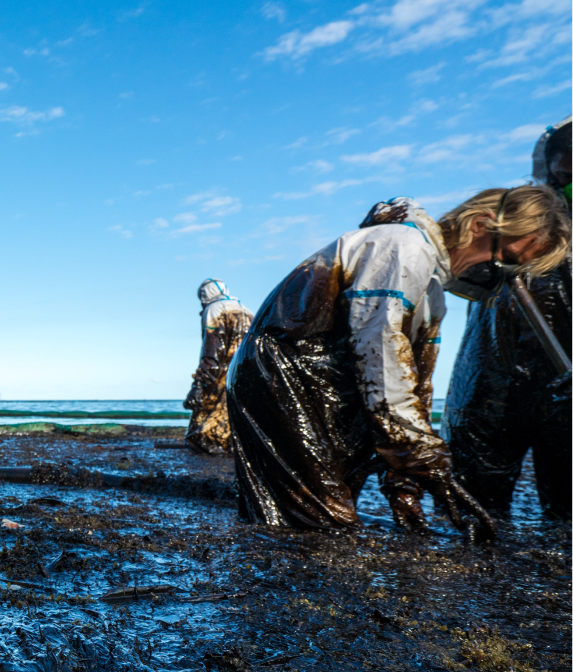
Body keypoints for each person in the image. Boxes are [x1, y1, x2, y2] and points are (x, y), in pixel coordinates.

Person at [226, 187, 569, 533]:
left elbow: (415, 382)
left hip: (323, 384)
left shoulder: (434, 291)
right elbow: (380, 351)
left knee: (331, 500)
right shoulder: (403, 247)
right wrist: (419, 452)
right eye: (507, 258)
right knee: (312, 514)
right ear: (480, 224)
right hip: (284, 376)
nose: (501, 276)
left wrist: (405, 481)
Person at [443, 116, 572, 519]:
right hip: (492, 377)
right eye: (564, 169)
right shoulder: (527, 223)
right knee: (476, 499)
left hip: (562, 383)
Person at [184, 279, 253, 455]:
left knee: (203, 430)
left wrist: (199, 384)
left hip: (221, 373)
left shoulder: (213, 310)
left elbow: (212, 349)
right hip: (243, 373)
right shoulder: (247, 311)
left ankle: (210, 448)